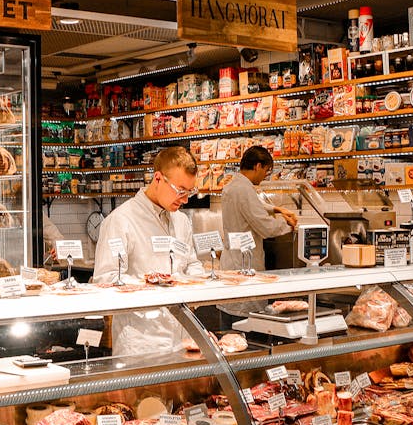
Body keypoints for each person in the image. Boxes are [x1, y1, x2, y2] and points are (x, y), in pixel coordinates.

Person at [92, 146, 205, 354]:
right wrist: (152, 285)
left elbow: (192, 263)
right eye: (180, 190)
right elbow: (105, 279)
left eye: (190, 191)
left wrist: (198, 284)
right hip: (140, 341)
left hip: (182, 336)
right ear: (158, 178)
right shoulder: (121, 220)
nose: (185, 199)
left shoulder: (182, 221)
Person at [220, 145, 297, 272]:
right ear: (258, 166)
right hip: (245, 263)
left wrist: (276, 209)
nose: (265, 176)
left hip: (232, 261)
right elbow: (266, 227)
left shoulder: (232, 186)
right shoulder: (244, 189)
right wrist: (288, 224)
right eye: (266, 170)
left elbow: (252, 206)